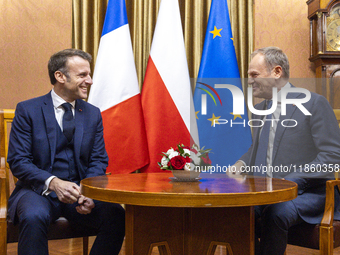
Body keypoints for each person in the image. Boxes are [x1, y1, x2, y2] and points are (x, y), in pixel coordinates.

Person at [7, 49, 125, 255]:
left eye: (89, 74)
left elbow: (98, 159)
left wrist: (88, 192)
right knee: (33, 216)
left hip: (79, 191)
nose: (89, 80)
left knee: (116, 214)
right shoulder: (28, 110)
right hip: (37, 191)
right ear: (60, 76)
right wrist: (53, 182)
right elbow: (18, 160)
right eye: (82, 75)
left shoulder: (92, 114)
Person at [229, 46, 340, 255]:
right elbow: (257, 146)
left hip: (308, 193)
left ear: (277, 72)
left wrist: (292, 179)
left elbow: (333, 156)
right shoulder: (260, 109)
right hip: (266, 191)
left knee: (276, 212)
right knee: (240, 211)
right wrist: (241, 163)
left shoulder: (315, 103)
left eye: (254, 75)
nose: (249, 81)